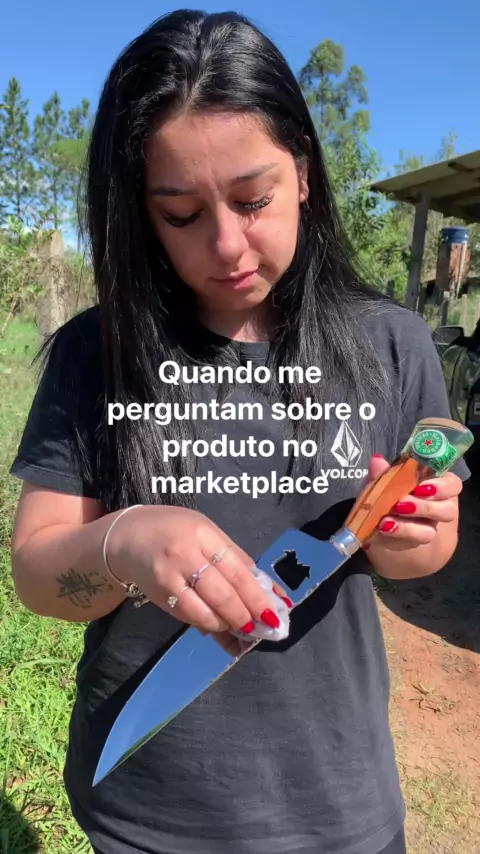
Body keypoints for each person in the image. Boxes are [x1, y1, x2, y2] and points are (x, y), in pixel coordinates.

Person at [8, 10, 470, 854]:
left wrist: (412, 536)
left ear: (304, 173)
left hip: (338, 806)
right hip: (151, 809)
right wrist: (124, 542)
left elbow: (425, 550)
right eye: (181, 214)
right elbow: (38, 575)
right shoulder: (96, 354)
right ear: (139, 213)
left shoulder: (393, 343)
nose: (226, 245)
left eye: (254, 200)